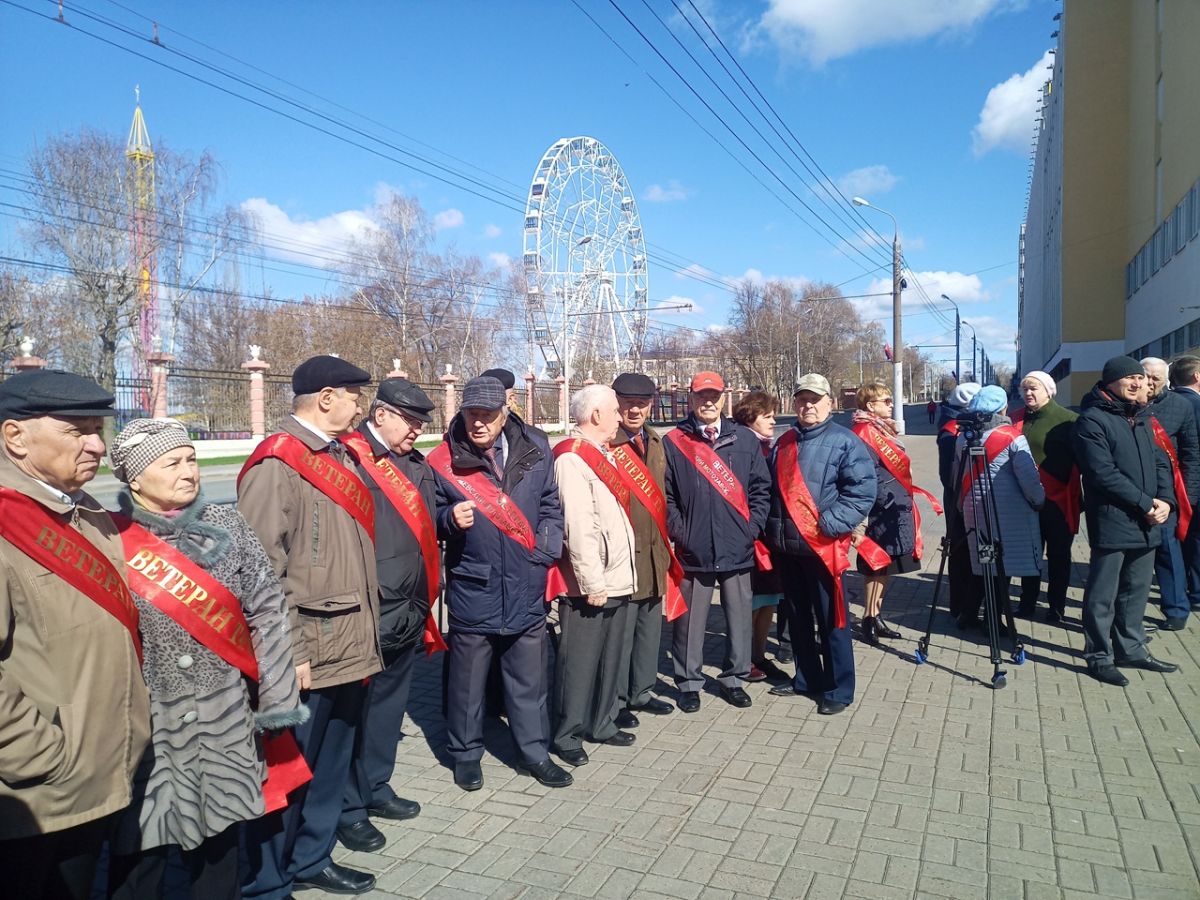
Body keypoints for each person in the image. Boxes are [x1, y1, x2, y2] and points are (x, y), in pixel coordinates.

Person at [105, 418, 305, 900]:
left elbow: (267, 608)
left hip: (225, 716)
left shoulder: (228, 522)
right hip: (149, 720)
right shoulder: (110, 537)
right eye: (171, 462)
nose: (188, 470)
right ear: (135, 478)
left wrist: (277, 697)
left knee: (219, 850)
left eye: (191, 459)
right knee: (139, 856)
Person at [0, 370, 150, 899]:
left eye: (98, 427)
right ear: (14, 437)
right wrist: (42, 756)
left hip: (105, 769)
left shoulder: (87, 510)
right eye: (76, 430)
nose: (96, 444)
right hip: (42, 792)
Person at [239, 355, 383, 898]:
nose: (359, 406)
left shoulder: (337, 454)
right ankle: (269, 878)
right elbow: (259, 571)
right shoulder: (278, 462)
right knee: (290, 772)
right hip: (307, 651)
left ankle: (312, 858)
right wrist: (288, 651)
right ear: (326, 398)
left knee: (330, 761)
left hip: (348, 639)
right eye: (353, 395)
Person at [432, 376, 572, 791]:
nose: (478, 424)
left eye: (487, 416)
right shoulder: (442, 460)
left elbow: (549, 503)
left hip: (526, 581)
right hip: (475, 584)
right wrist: (448, 519)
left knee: (529, 681)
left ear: (504, 413)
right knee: (467, 684)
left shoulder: (535, 448)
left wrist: (544, 552)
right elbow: (429, 513)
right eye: (471, 414)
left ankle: (534, 752)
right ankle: (466, 755)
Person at [336, 379, 443, 854]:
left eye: (422, 423)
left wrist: (452, 517)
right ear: (380, 414)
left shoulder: (414, 465)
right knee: (352, 716)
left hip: (408, 607)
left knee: (388, 709)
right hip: (369, 608)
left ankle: (376, 787)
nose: (418, 431)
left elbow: (427, 521)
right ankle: (347, 808)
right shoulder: (349, 459)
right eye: (411, 421)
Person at [766, 374, 876, 715]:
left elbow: (862, 493)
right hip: (788, 548)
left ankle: (839, 689)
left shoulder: (846, 442)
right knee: (798, 618)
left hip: (821, 547)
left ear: (830, 403)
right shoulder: (784, 442)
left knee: (833, 620)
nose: (808, 405)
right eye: (802, 399)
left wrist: (828, 526)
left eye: (815, 399)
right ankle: (807, 679)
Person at [664, 371, 771, 712]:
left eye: (713, 395)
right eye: (700, 396)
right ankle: (689, 682)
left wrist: (750, 529)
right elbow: (666, 497)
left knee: (739, 617)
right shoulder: (674, 442)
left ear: (724, 398)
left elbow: (760, 490)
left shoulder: (745, 439)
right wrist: (682, 533)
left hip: (737, 547)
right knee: (689, 622)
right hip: (693, 549)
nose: (707, 401)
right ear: (691, 398)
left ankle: (734, 679)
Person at [1073, 356, 1178, 686]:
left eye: (1142, 378)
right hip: (1114, 519)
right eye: (1130, 378)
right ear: (1110, 382)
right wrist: (1145, 503)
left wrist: (1166, 502)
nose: (1138, 383)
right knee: (1103, 595)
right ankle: (1099, 655)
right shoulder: (1092, 420)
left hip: (1148, 521)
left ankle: (1130, 649)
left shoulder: (1144, 418)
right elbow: (1102, 473)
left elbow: (1161, 463)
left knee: (1137, 591)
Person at [551, 385, 637, 766]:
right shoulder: (572, 458)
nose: (621, 417)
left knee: (610, 656)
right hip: (592, 582)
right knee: (580, 660)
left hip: (617, 574)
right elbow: (579, 527)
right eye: (615, 411)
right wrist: (592, 582)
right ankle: (568, 733)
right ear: (597, 415)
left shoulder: (605, 454)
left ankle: (601, 722)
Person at [851, 381, 943, 644]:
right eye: (886, 401)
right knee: (875, 565)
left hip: (893, 508)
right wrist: (881, 500)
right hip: (879, 509)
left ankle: (876, 615)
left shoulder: (880, 428)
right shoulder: (863, 431)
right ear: (871, 405)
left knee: (887, 567)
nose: (892, 404)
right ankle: (868, 620)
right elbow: (862, 476)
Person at [610, 373, 677, 724]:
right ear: (615, 402)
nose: (634, 409)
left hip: (653, 551)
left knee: (649, 628)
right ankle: (617, 700)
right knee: (621, 634)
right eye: (627, 402)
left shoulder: (654, 440)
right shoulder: (607, 443)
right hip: (623, 553)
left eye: (642, 402)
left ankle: (641, 691)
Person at [954, 386, 1045, 631]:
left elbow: (957, 474)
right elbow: (1029, 480)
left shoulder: (963, 436)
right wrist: (1039, 501)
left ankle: (968, 613)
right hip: (1009, 514)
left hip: (973, 508)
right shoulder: (1012, 437)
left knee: (982, 564)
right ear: (1002, 408)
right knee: (1000, 570)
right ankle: (993, 622)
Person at [731, 391, 789, 682]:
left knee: (768, 599)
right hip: (750, 534)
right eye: (767, 416)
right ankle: (743, 657)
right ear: (750, 417)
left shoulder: (769, 446)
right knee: (751, 601)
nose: (773, 421)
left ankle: (759, 654)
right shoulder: (739, 444)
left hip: (770, 535)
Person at [1014, 371, 1080, 624]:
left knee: (1058, 557)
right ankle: (1027, 602)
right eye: (1025, 389)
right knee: (1030, 556)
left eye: (1034, 389)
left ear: (1048, 390)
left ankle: (1056, 607)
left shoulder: (1069, 420)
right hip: (1027, 502)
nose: (1028, 393)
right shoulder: (1017, 419)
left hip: (1059, 503)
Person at [1142, 357, 1200, 631]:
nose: (1149, 382)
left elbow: (1191, 454)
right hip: (1133, 492)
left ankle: (1176, 609)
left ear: (1166, 379)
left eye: (1155, 377)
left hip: (1168, 495)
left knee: (1168, 552)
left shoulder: (1181, 405)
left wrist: (1186, 495)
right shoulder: (1128, 405)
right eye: (1145, 376)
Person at [937, 383, 981, 618]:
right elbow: (948, 474)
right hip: (958, 497)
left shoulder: (961, 425)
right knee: (960, 549)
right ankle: (959, 604)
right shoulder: (951, 430)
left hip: (967, 494)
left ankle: (968, 602)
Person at [1169, 355, 1200, 614]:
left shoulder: (1171, 404)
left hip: (1178, 484)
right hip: (1190, 484)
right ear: (1197, 377)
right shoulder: (1194, 405)